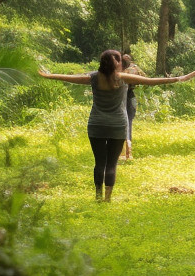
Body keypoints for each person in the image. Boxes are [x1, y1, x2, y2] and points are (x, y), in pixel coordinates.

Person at [39, 50, 186, 201]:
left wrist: (48, 75)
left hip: (97, 125)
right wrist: (178, 78)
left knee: (99, 163)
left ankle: (98, 196)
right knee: (111, 165)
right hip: (118, 125)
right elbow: (152, 81)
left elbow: (69, 78)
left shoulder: (94, 77)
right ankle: (107, 199)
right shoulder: (122, 78)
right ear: (118, 63)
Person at [121, 54, 142, 160]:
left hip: (128, 96)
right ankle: (125, 150)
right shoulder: (134, 68)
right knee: (126, 122)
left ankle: (126, 150)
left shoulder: (133, 68)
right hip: (124, 96)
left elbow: (142, 78)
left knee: (127, 122)